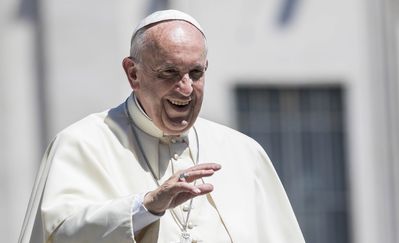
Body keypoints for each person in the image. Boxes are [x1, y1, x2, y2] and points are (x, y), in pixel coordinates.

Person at [19, 9, 305, 243]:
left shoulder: (244, 153)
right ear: (133, 73)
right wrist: (146, 206)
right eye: (169, 72)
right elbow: (60, 234)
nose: (185, 88)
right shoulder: (81, 143)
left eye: (196, 73)